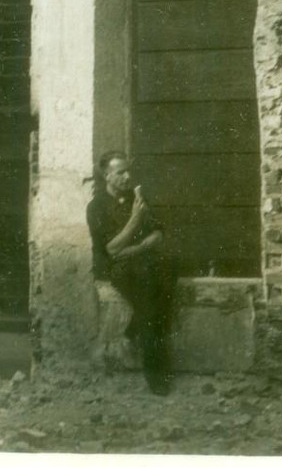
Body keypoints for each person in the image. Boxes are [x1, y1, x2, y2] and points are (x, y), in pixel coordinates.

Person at [86, 151, 177, 395]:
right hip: (117, 269)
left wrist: (141, 245)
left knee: (170, 267)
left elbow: (158, 232)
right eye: (121, 172)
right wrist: (136, 221)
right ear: (107, 175)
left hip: (142, 261)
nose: (128, 176)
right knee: (150, 306)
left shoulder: (137, 197)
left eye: (129, 171)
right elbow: (113, 249)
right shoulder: (96, 207)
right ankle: (156, 375)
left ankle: (135, 325)